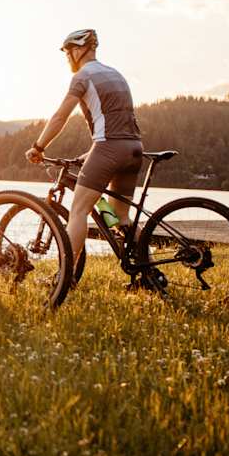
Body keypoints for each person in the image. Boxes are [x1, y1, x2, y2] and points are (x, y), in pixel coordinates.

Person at [24, 29, 143, 276]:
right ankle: (148, 272)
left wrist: (38, 146)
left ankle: (64, 276)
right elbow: (116, 125)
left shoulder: (82, 76)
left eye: (68, 53)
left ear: (79, 50)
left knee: (79, 211)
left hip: (109, 149)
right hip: (134, 149)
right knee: (120, 217)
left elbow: (60, 116)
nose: (67, 58)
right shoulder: (116, 74)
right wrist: (89, 154)